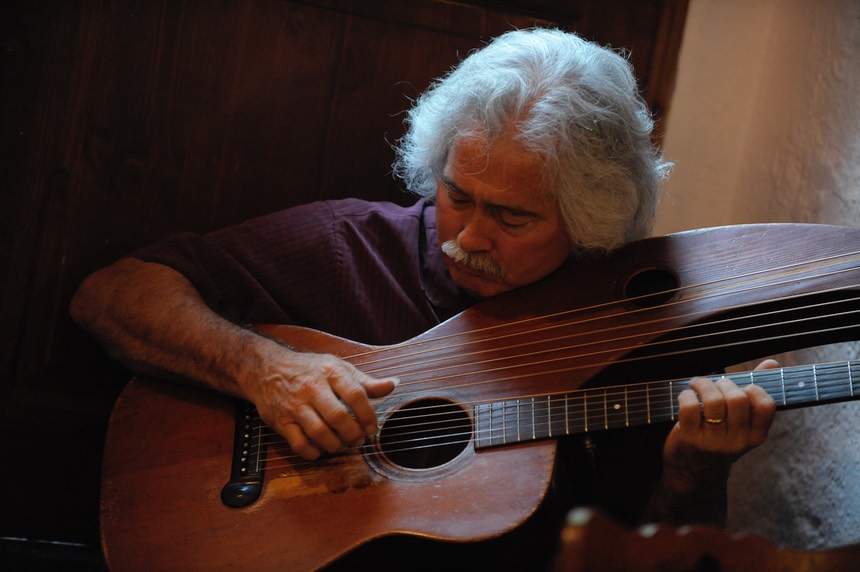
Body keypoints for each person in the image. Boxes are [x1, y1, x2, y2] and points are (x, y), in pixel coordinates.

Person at [71, 28, 776, 568]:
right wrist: (264, 370)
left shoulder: (622, 329)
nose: (466, 236)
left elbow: (656, 559)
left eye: (512, 217)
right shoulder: (350, 244)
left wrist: (693, 473)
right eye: (456, 194)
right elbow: (113, 295)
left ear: (589, 222)